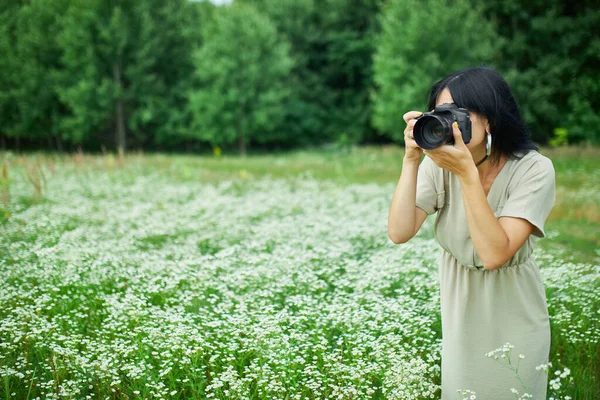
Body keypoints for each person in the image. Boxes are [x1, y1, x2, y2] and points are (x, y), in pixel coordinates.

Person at [387, 66, 555, 399]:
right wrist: (411, 160)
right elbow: (399, 231)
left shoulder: (534, 169)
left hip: (514, 316)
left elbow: (495, 254)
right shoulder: (439, 166)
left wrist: (467, 176)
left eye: (458, 113)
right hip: (460, 316)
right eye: (441, 113)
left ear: (491, 117)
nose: (448, 122)